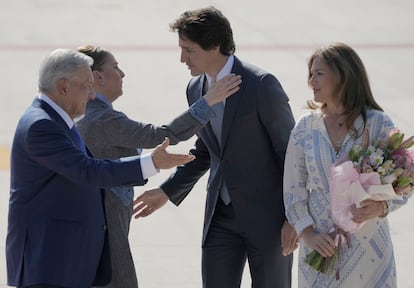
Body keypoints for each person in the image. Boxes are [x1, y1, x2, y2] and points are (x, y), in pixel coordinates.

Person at [133, 6, 298, 288]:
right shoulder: (195, 89)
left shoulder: (261, 85)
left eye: (189, 50)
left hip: (268, 221)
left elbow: (291, 155)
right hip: (220, 219)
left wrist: (295, 216)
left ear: (215, 46)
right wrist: (166, 191)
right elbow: (206, 152)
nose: (182, 59)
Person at [6, 48, 196, 288]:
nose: (92, 96)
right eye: (86, 87)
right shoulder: (42, 126)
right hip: (49, 259)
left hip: (66, 255)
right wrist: (151, 163)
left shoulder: (58, 119)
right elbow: (87, 171)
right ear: (63, 87)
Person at [75, 45, 241, 288]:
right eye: (115, 67)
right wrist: (209, 101)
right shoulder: (103, 119)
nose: (122, 74)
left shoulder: (84, 115)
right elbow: (163, 135)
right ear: (97, 77)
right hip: (108, 227)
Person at [283, 42, 408, 287]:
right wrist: (308, 234)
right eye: (310, 74)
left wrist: (381, 207)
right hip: (321, 246)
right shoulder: (306, 127)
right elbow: (292, 189)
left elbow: (404, 182)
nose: (311, 81)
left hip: (370, 249)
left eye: (319, 74)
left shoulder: (377, 122)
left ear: (343, 76)